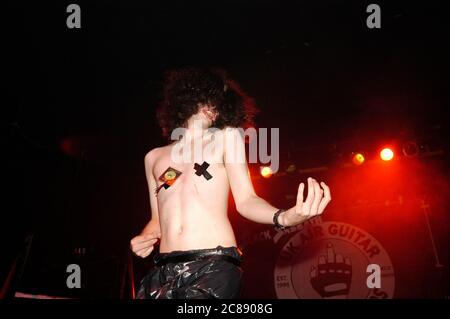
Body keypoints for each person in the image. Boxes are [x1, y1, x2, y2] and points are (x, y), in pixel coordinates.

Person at [130, 67, 331, 299]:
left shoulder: (226, 138)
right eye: (206, 98)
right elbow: (156, 219)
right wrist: (145, 238)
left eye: (218, 102)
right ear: (186, 98)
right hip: (163, 269)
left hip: (213, 266)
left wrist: (282, 217)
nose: (211, 106)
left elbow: (246, 200)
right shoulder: (154, 157)